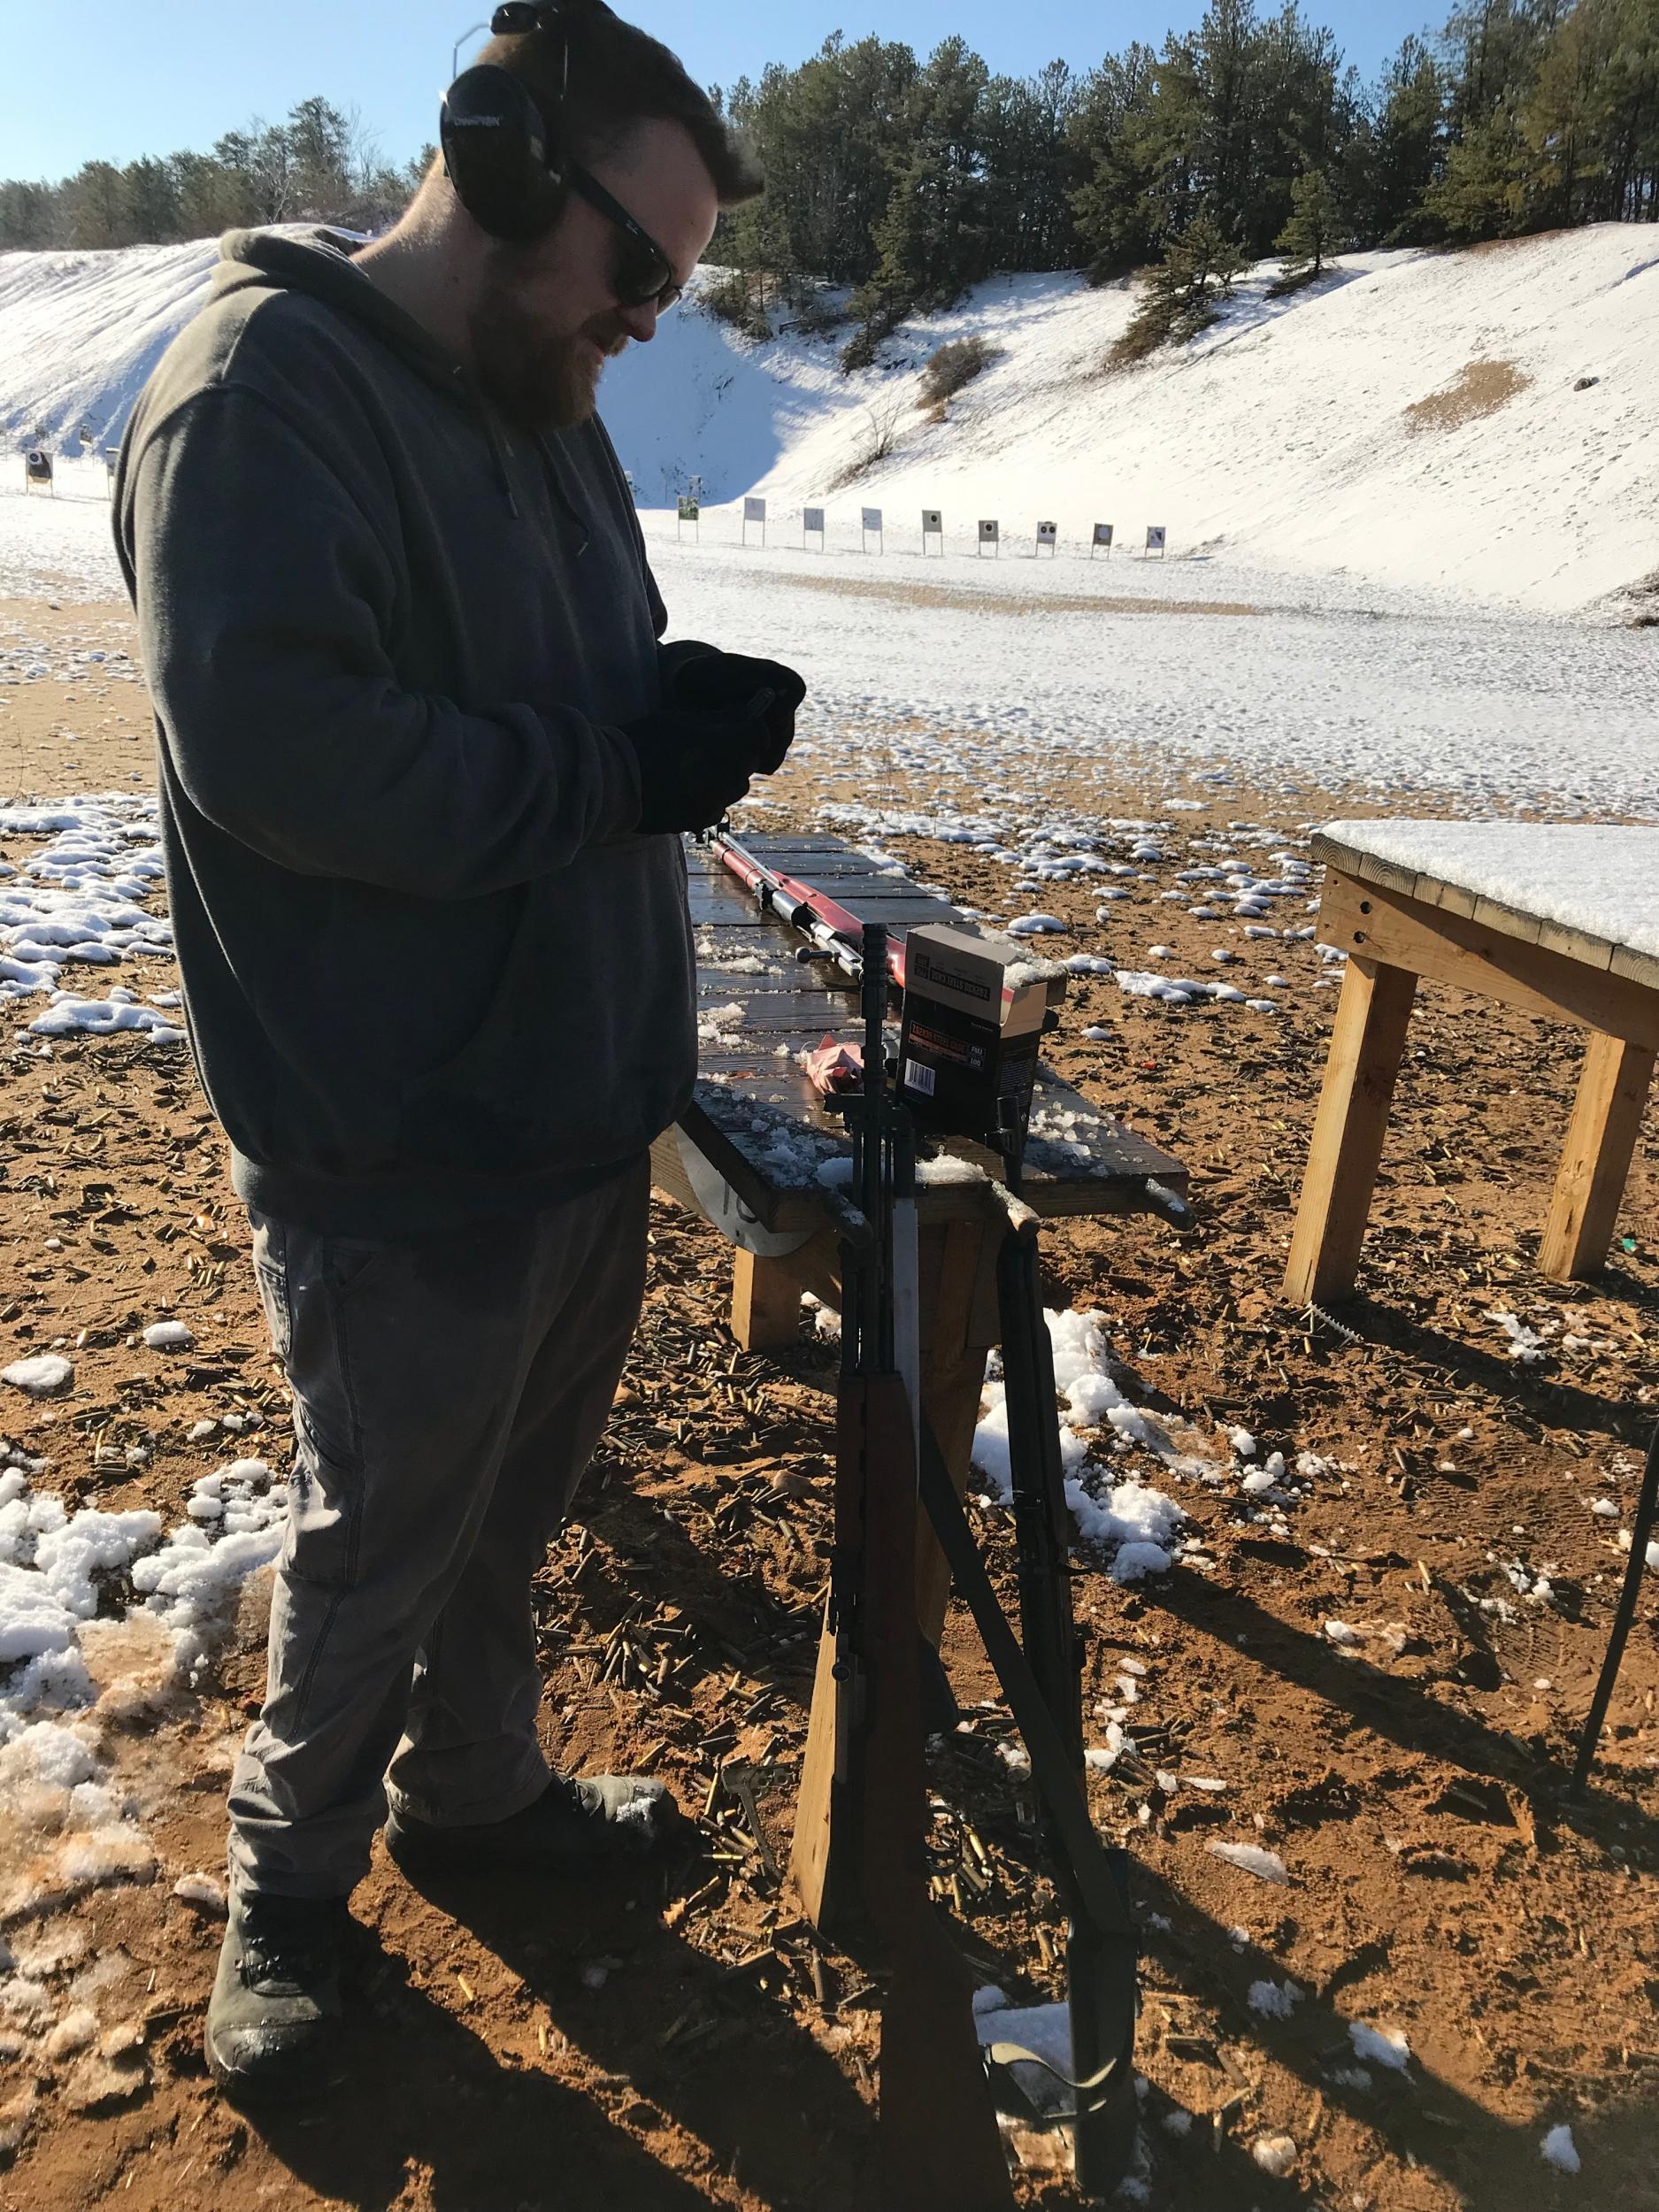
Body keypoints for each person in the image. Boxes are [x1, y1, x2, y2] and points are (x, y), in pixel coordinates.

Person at [113, 0, 805, 2100]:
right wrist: (608, 760)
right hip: (399, 1124)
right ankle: (291, 1901)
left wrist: (661, 706)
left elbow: (552, 687)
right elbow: (288, 757)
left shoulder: (533, 385)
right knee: (379, 1540)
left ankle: (476, 1792)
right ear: (502, 164)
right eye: (638, 274)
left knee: (508, 1509)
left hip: (569, 1093)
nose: (647, 323)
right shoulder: (260, 394)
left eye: (674, 292)